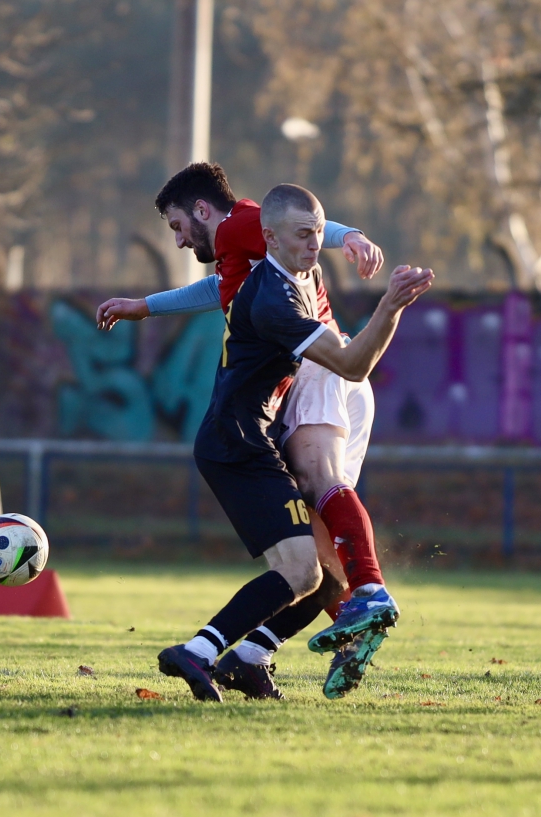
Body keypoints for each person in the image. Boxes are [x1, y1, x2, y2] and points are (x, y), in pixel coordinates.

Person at [97, 164, 399, 699]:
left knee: (317, 523)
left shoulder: (243, 227)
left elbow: (302, 223)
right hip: (300, 389)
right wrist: (145, 307)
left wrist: (348, 236)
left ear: (203, 210)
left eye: (177, 225)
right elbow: (220, 289)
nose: (179, 239)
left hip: (316, 372)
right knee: (317, 557)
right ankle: (257, 653)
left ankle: (362, 600)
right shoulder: (250, 266)